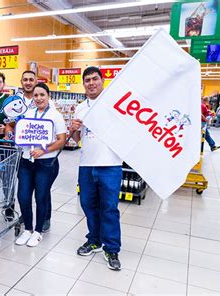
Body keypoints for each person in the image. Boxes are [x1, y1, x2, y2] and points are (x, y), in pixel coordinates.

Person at [69, 66, 123, 271]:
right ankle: (94, 240)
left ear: (102, 81)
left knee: (109, 207)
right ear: (84, 84)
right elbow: (78, 140)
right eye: (87, 80)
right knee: (88, 204)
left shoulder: (114, 106)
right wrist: (73, 130)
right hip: (86, 164)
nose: (91, 83)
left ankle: (112, 248)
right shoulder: (80, 108)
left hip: (110, 165)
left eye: (94, 79)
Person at [15, 83, 66, 248]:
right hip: (26, 160)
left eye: (42, 95)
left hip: (46, 162)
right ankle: (28, 229)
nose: (38, 98)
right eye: (36, 95)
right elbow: (23, 133)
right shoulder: (28, 113)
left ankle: (38, 231)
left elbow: (61, 140)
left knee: (41, 196)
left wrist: (43, 150)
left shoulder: (56, 115)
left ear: (48, 96)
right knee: (23, 196)